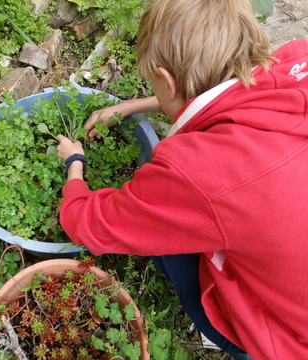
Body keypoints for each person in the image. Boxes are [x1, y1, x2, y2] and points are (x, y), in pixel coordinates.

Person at [55, 0, 308, 359]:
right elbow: (227, 92)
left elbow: (88, 224)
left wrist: (75, 163)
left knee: (170, 245)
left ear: (169, 82)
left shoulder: (198, 171)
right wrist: (131, 106)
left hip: (291, 340)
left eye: (152, 84)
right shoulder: (295, 67)